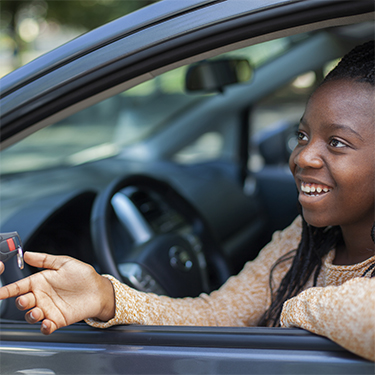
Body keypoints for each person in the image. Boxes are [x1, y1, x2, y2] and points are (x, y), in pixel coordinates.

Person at [0, 41, 374, 362]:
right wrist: (105, 296)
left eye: (337, 143)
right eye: (303, 135)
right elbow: (217, 315)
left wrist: (288, 310)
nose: (303, 157)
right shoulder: (306, 236)